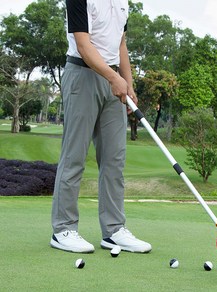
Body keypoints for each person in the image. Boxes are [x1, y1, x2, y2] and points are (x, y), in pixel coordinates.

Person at [50, 0, 151, 254]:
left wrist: (128, 83)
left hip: (114, 82)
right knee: (74, 157)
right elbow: (84, 45)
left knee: (114, 160)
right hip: (82, 75)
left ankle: (114, 230)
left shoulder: (122, 2)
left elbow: (120, 44)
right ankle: (63, 229)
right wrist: (114, 78)